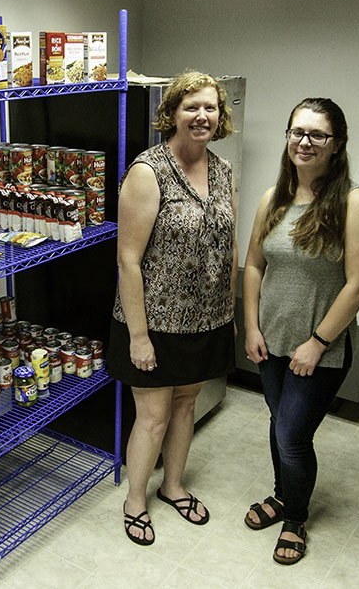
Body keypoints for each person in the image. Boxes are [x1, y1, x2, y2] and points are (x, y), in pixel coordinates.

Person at [242, 98, 359, 564]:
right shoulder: (273, 198)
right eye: (297, 131)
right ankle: (282, 494)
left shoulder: (353, 202)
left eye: (316, 135)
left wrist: (318, 343)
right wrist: (250, 326)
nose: (304, 141)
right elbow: (254, 266)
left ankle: (295, 518)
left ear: (336, 145)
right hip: (271, 340)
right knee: (279, 423)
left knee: (293, 435)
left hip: (319, 349)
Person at [107, 71, 237, 546]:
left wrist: (230, 310)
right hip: (154, 322)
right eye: (191, 107)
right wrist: (139, 336)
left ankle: (174, 486)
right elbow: (128, 259)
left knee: (187, 405)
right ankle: (135, 500)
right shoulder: (148, 171)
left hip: (207, 319)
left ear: (220, 117)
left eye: (211, 108)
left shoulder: (223, 171)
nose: (202, 116)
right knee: (154, 415)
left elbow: (229, 245)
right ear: (172, 114)